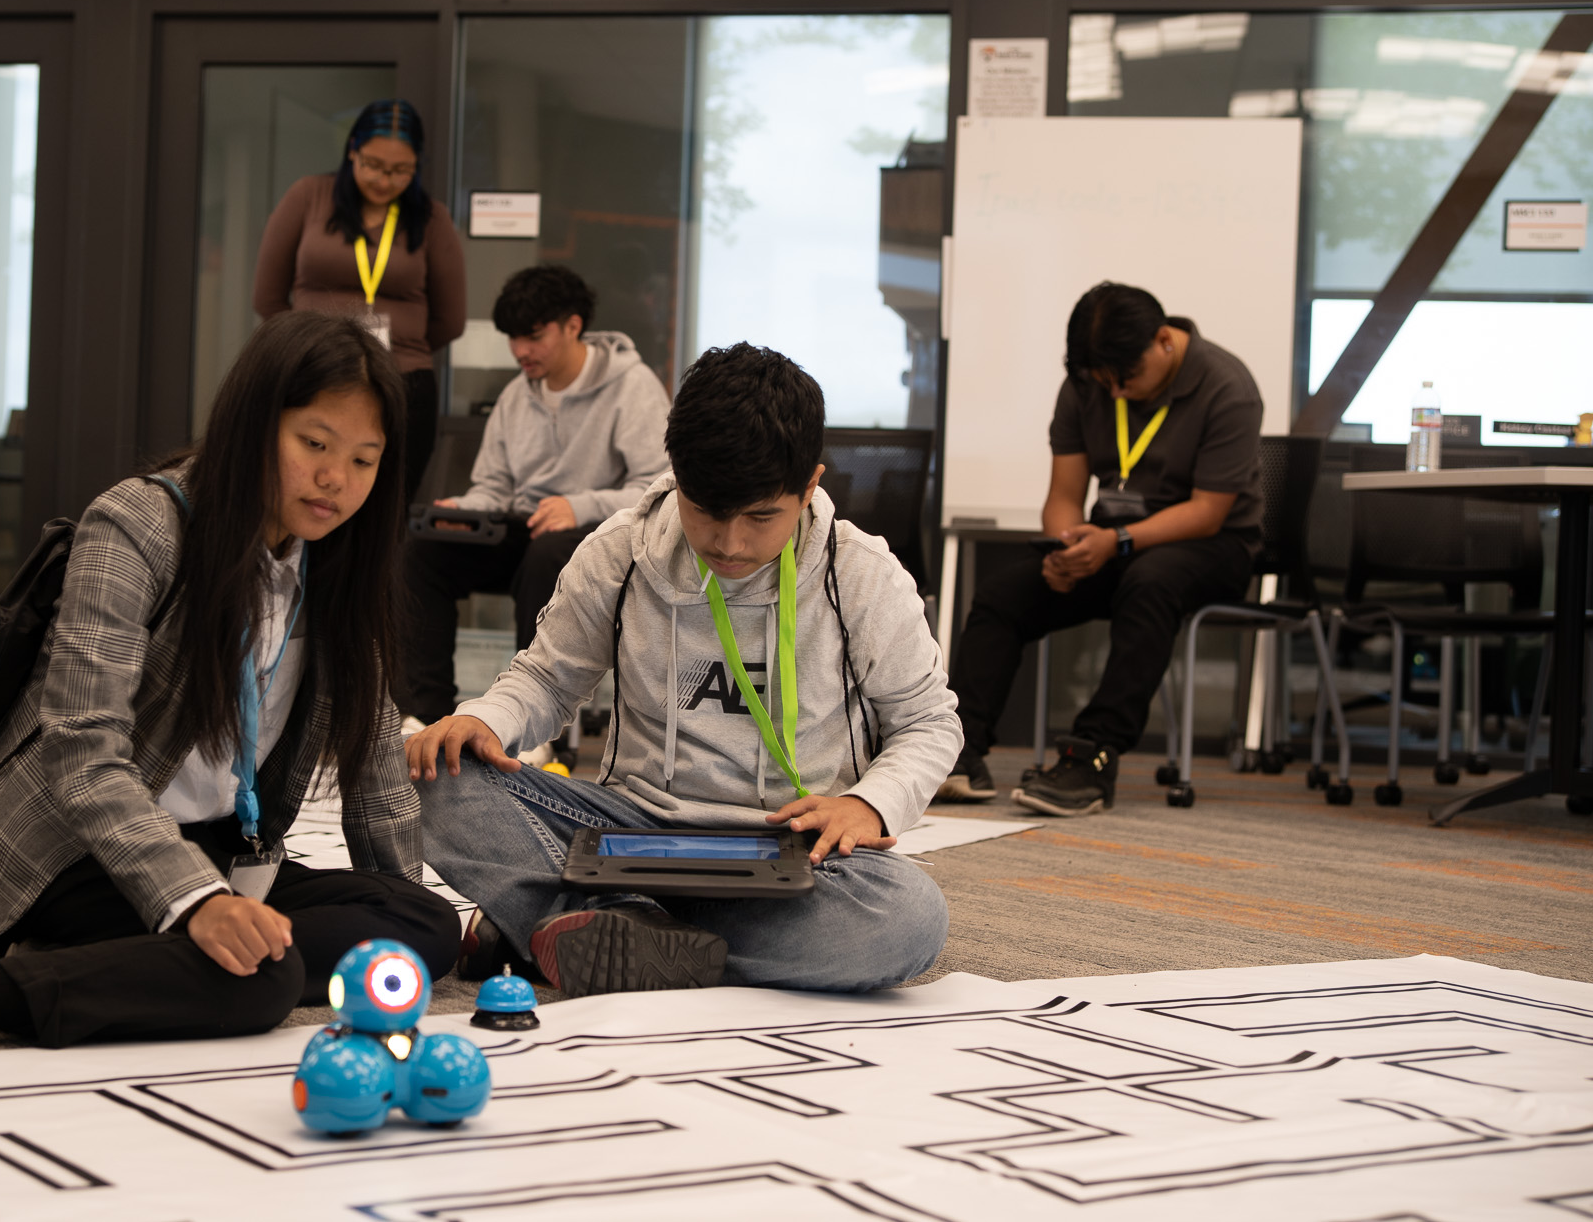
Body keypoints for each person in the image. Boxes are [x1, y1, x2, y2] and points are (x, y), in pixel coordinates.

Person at [0, 315, 457, 1064]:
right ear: (253, 423)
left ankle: (141, 957)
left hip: (220, 847)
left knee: (422, 925)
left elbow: (375, 770)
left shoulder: (336, 564)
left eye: (364, 459)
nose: (337, 478)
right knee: (261, 979)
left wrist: (401, 920)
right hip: (73, 850)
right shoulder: (140, 524)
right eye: (315, 443)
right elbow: (82, 751)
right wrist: (198, 901)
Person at [407, 343, 956, 999]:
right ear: (676, 474)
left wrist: (868, 802)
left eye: (759, 517)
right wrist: (484, 719)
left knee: (907, 921)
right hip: (626, 834)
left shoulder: (860, 574)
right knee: (426, 773)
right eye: (707, 513)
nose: (729, 542)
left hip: (785, 847)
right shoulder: (619, 552)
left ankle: (575, 925)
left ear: (810, 485)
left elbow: (928, 723)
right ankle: (618, 924)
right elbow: (547, 678)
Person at [938, 281, 1262, 817]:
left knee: (1151, 580)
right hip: (1114, 543)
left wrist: (1117, 542)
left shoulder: (1228, 386)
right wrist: (1065, 549)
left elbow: (1209, 511)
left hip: (1213, 547)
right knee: (1003, 595)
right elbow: (1064, 495)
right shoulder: (1088, 382)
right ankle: (958, 754)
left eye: (1126, 380)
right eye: (1101, 382)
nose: (1114, 394)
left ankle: (1091, 757)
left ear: (1164, 341)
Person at [398, 264, 670, 733]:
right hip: (524, 529)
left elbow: (658, 486)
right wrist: (460, 512)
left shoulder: (633, 385)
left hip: (597, 537)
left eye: (533, 336)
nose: (520, 351)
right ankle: (428, 713)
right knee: (423, 550)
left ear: (573, 325)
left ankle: (535, 726)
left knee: (550, 551)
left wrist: (578, 506)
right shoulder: (514, 396)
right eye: (512, 338)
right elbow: (495, 488)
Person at [255, 99, 465, 506]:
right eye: (372, 164)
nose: (384, 180)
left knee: (385, 510)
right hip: (311, 372)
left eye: (400, 170)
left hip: (402, 380)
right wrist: (307, 349)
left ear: (416, 165)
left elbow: (449, 320)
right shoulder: (308, 197)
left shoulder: (432, 220)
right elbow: (267, 296)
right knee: (303, 494)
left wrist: (389, 354)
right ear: (352, 150)